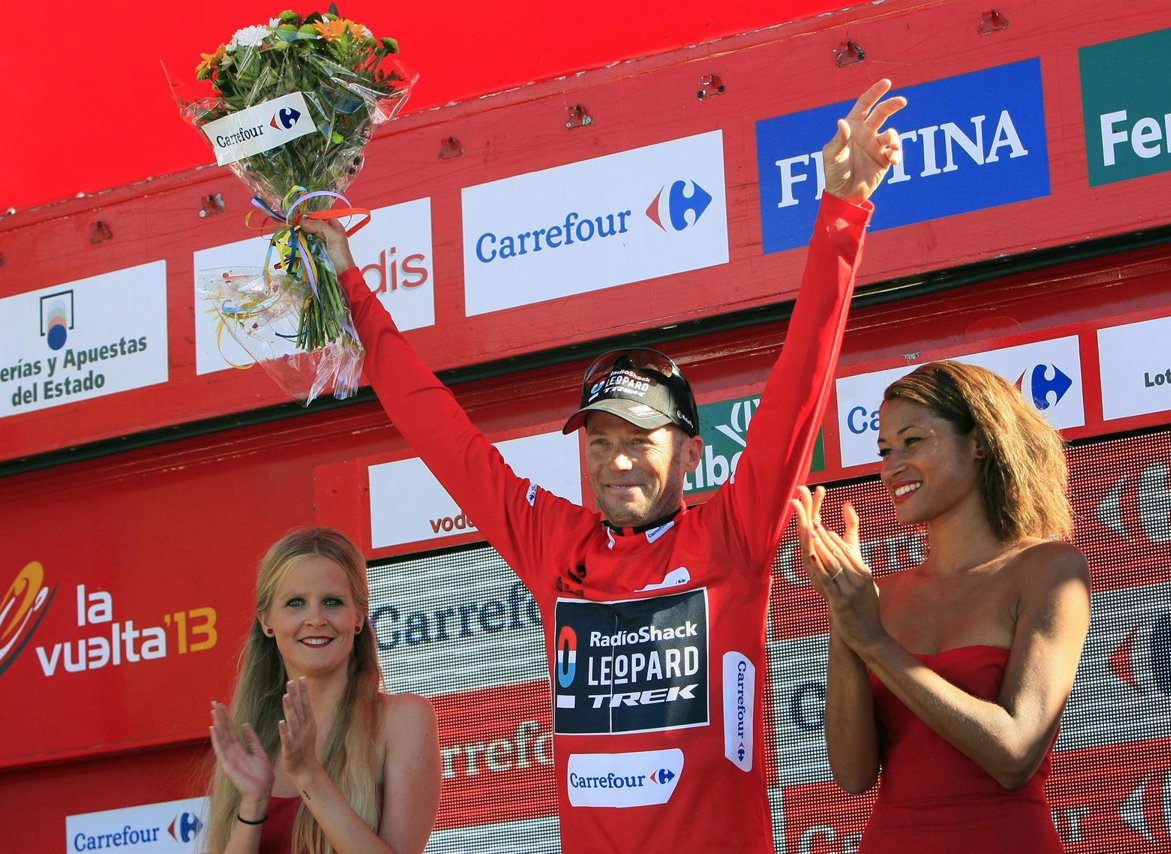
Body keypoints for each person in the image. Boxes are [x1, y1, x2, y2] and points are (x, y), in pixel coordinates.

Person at [301, 80, 905, 853]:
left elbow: (800, 383)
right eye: (598, 442)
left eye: (640, 440)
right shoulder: (556, 544)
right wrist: (348, 282)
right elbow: (439, 429)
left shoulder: (732, 535)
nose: (617, 462)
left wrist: (843, 212)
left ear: (691, 452)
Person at [793, 360, 1091, 852]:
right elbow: (853, 775)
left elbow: (1014, 754)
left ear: (980, 442)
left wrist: (873, 640)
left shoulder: (1049, 569)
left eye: (912, 442)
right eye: (885, 450)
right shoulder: (880, 596)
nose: (891, 467)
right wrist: (843, 610)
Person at [206, 528, 440, 854]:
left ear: (358, 617)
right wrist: (253, 804)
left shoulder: (404, 719)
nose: (315, 619)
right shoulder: (250, 738)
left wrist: (309, 776)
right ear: (267, 621)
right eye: (295, 603)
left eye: (332, 602)